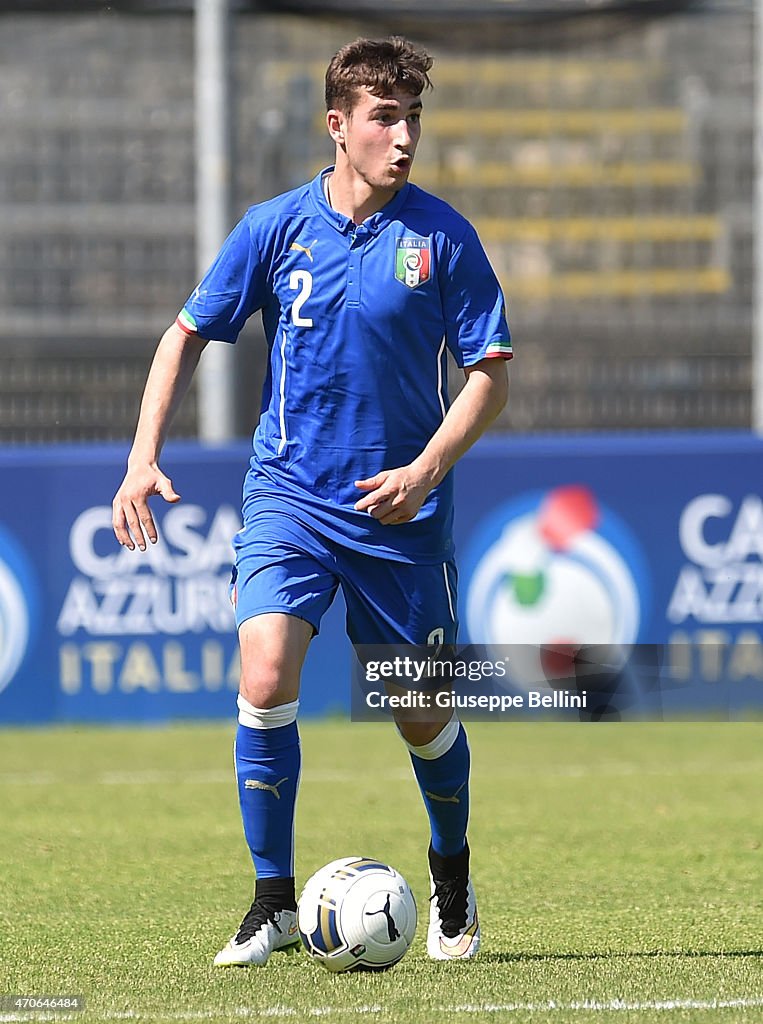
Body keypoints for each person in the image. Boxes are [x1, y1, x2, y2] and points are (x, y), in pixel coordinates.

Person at [112, 35, 511, 966]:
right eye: (384, 116)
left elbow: (491, 374)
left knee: (419, 712)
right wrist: (142, 458)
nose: (403, 135)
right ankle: (273, 903)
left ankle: (450, 876)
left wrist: (426, 470)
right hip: (288, 494)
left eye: (413, 116)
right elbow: (183, 336)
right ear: (338, 126)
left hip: (398, 513)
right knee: (263, 675)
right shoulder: (272, 227)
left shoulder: (441, 238)